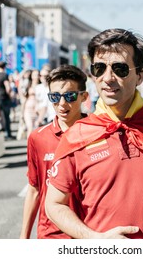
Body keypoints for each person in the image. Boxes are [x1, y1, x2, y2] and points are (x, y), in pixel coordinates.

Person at [45, 28, 143, 239]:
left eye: (120, 69)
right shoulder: (78, 134)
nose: (108, 78)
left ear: (140, 75)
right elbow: (54, 204)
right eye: (99, 68)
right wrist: (95, 239)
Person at [20, 65, 88, 239]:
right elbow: (34, 189)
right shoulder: (37, 138)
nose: (62, 104)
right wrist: (24, 236)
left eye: (70, 96)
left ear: (84, 97)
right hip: (51, 233)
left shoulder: (98, 134)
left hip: (89, 231)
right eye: (55, 97)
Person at [0, 61, 14, 140]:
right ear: (4, 67)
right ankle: (8, 134)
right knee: (6, 116)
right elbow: (7, 87)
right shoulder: (4, 75)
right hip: (4, 98)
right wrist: (10, 96)